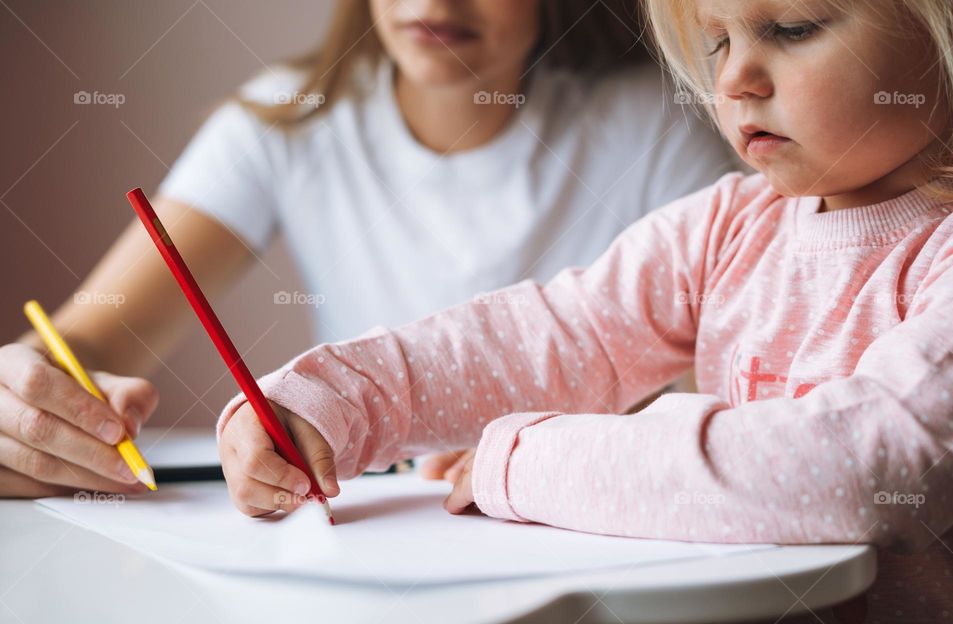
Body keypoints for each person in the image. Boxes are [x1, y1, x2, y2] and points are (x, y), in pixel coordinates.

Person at [219, 0, 953, 624]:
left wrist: (530, 464)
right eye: (718, 43)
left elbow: (860, 470)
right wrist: (331, 400)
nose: (735, 81)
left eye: (792, 29)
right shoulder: (727, 226)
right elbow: (554, 335)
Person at [0, 0, 734, 497]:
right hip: (362, 532)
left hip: (578, 537)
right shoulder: (286, 120)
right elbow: (88, 338)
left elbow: (734, 391)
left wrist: (547, 461)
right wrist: (25, 399)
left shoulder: (651, 126)